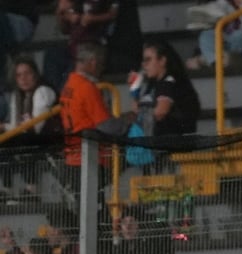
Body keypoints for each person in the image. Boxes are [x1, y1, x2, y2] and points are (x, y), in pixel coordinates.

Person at [58, 42, 135, 173]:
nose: (102, 69)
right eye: (102, 64)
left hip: (72, 156)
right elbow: (105, 126)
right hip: (91, 158)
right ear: (93, 62)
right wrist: (128, 122)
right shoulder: (87, 88)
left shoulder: (68, 86)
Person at [132, 40, 200, 138]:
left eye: (148, 60)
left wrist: (141, 116)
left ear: (162, 61)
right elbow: (136, 110)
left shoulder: (169, 82)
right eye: (143, 60)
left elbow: (161, 112)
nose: (144, 64)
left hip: (171, 142)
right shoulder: (153, 85)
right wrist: (135, 90)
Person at [0, 55, 57, 140]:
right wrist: (4, 126)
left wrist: (4, 127)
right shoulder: (17, 96)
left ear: (35, 74)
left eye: (27, 73)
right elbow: (15, 126)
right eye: (18, 75)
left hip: (50, 143)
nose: (23, 78)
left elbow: (35, 130)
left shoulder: (43, 92)